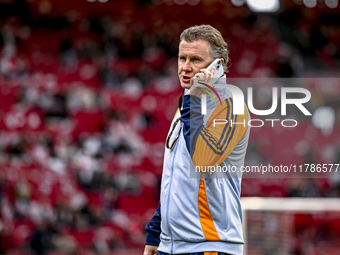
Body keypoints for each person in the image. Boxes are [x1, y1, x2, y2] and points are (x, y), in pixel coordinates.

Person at [144, 25, 250, 255]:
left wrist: (192, 100)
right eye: (182, 58)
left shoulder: (231, 106)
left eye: (196, 59)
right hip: (169, 246)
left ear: (217, 65)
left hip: (210, 246)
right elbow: (175, 176)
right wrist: (154, 235)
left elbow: (203, 159)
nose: (186, 67)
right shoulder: (187, 105)